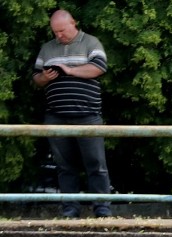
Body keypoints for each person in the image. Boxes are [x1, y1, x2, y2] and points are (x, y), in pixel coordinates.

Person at [32, 9, 112, 219]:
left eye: (62, 30)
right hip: (56, 115)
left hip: (88, 114)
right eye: (55, 32)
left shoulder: (91, 43)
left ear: (73, 23)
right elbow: (36, 79)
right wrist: (45, 77)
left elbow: (99, 68)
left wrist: (69, 70)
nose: (59, 35)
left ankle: (102, 209)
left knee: (96, 164)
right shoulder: (47, 48)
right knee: (64, 166)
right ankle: (70, 209)